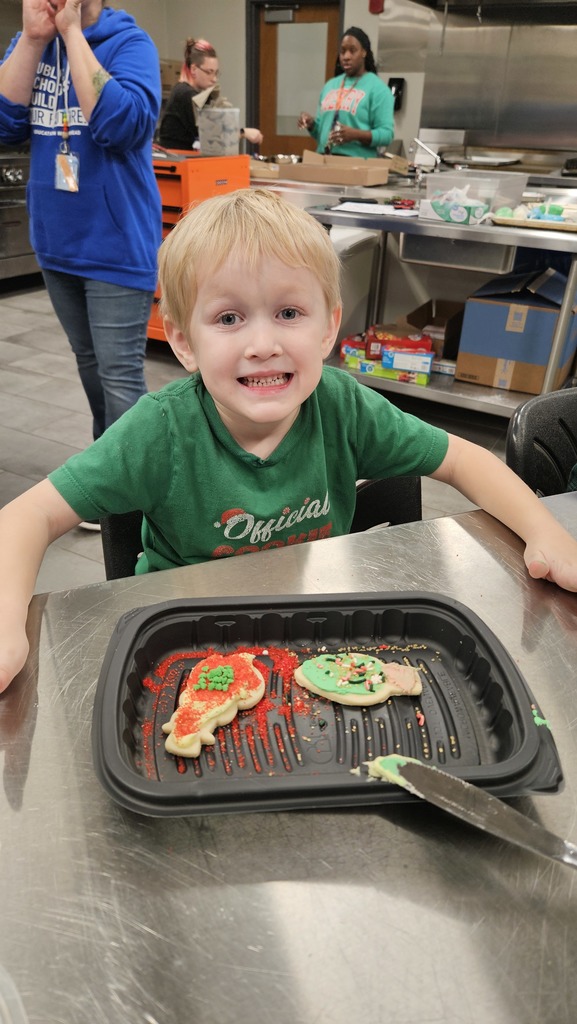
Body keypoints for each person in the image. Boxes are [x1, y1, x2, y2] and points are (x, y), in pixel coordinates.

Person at [1, 187, 577, 693]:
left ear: (328, 327)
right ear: (183, 341)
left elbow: (465, 460)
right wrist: (6, 621)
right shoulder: (160, 431)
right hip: (181, 646)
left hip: (313, 632)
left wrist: (546, 532)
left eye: (288, 312)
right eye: (228, 319)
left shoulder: (343, 407)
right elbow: (25, 517)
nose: (262, 344)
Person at [0, 0, 162, 449]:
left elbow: (120, 126)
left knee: (120, 379)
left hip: (116, 243)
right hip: (57, 243)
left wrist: (71, 33)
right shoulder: (30, 43)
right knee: (89, 366)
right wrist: (34, 39)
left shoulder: (130, 44)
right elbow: (4, 123)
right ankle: (108, 475)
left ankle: (133, 503)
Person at [298, 26, 394, 159]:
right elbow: (320, 133)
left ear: (364, 52)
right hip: (323, 160)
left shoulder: (378, 89)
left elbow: (387, 135)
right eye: (343, 51)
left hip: (356, 165)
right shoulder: (330, 85)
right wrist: (311, 124)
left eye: (352, 51)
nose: (346, 57)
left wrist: (355, 135)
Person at [157, 37, 263, 152]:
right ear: (193, 69)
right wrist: (244, 132)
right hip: (176, 161)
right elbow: (215, 135)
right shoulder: (186, 94)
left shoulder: (187, 92)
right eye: (209, 72)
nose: (214, 79)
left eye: (216, 73)